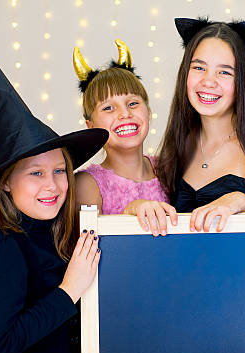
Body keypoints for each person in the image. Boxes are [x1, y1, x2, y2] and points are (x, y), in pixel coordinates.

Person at [0, 34, 108, 353]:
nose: (53, 185)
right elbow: (4, 342)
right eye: (35, 174)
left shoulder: (61, 231)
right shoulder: (3, 243)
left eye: (60, 171)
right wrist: (68, 290)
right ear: (6, 183)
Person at [154, 17, 245, 232]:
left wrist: (243, 201)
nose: (208, 81)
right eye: (199, 68)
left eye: (224, 72)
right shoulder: (178, 145)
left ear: (243, 81)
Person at [73, 40, 174, 236]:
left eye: (133, 103)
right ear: (90, 127)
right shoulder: (87, 184)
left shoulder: (168, 170)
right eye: (108, 108)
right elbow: (88, 251)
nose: (124, 114)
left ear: (148, 111)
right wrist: (129, 212)